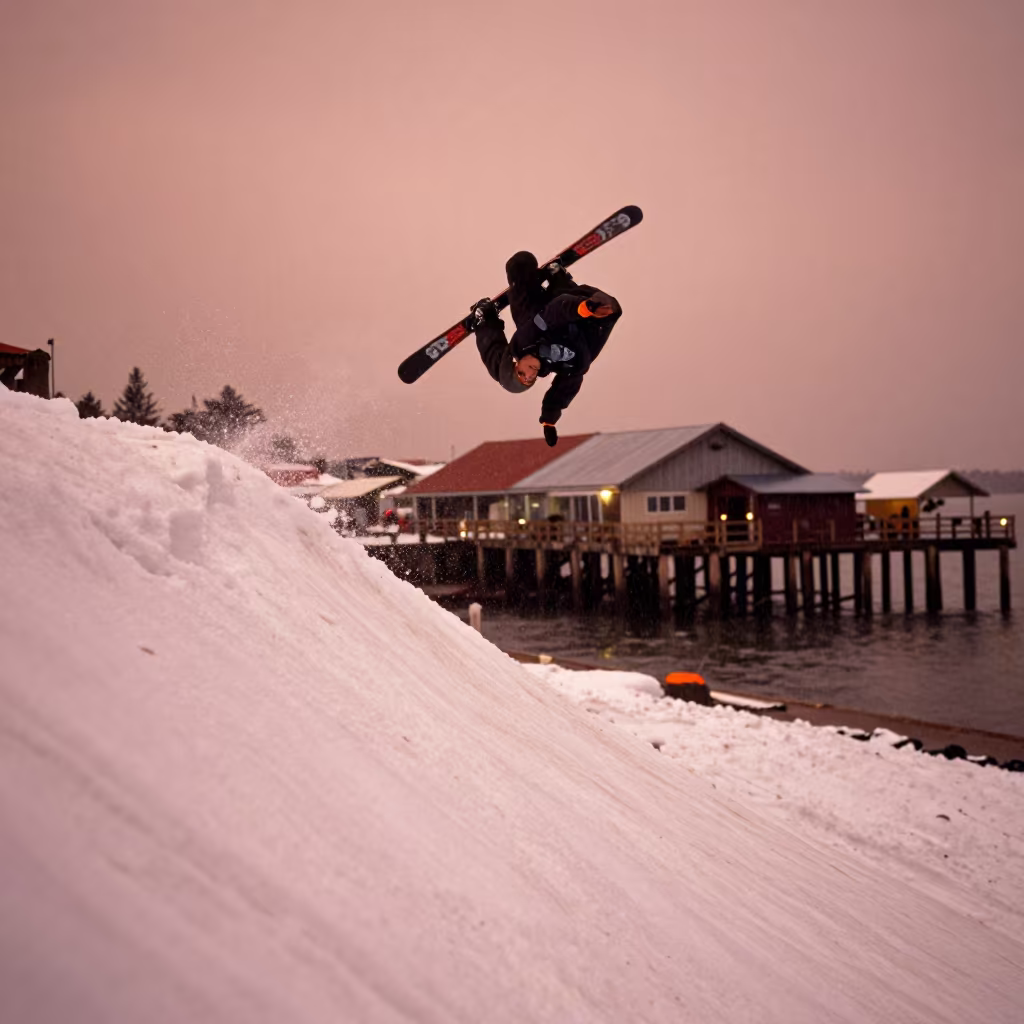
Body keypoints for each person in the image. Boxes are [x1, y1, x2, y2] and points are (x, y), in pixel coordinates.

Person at [471, 250, 622, 446]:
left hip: (559, 310)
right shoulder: (570, 366)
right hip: (593, 320)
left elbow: (556, 310)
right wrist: (549, 419)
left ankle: (485, 320)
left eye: (523, 374)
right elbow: (564, 389)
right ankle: (557, 276)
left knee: (522, 270)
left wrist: (580, 308)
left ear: (518, 363)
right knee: (595, 306)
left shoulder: (525, 340)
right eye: (530, 380)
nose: (530, 376)